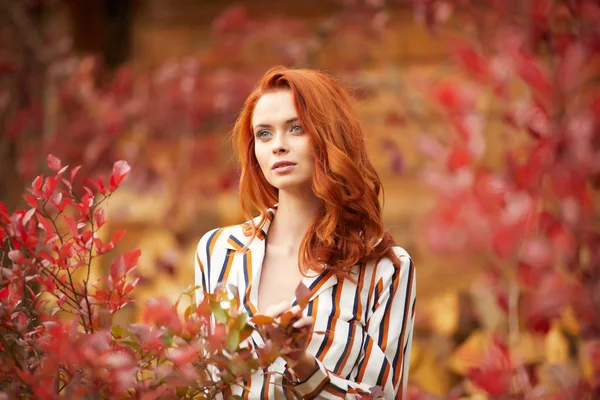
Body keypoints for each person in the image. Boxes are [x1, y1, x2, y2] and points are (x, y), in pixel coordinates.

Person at [195, 66, 416, 399]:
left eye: (296, 128)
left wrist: (303, 365)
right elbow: (200, 381)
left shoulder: (385, 267)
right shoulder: (217, 251)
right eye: (264, 134)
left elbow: (383, 395)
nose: (278, 146)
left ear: (328, 137)